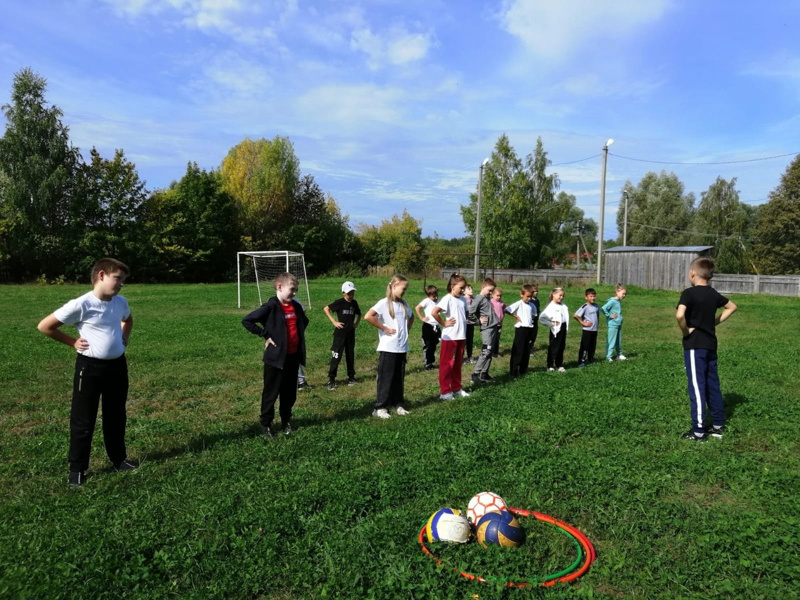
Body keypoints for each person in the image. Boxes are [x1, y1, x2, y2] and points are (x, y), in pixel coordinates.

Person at [37, 258, 135, 486]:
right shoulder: (81, 304)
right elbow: (45, 326)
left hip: (117, 367)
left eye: (123, 280)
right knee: (83, 419)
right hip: (89, 369)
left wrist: (124, 338)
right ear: (101, 275)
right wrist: (72, 342)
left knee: (116, 414)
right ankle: (77, 469)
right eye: (117, 279)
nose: (121, 284)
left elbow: (128, 320)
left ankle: (119, 459)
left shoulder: (120, 302)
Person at [676, 257, 737, 441]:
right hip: (711, 344)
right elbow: (732, 307)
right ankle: (718, 424)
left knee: (697, 387)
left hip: (695, 346)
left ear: (692, 273)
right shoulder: (713, 293)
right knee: (712, 384)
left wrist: (686, 331)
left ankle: (699, 431)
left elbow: (680, 315)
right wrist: (714, 322)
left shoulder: (688, 293)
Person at [242, 272, 308, 438]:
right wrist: (265, 334)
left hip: (293, 357)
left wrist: (294, 338)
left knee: (289, 393)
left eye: (296, 290)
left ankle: (286, 420)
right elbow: (247, 320)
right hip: (276, 359)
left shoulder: (296, 306)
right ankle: (267, 424)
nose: (295, 293)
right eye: (292, 289)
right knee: (271, 392)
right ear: (280, 287)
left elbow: (303, 321)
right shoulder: (270, 307)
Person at [364, 275, 414, 418]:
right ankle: (380, 407)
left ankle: (397, 404)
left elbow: (411, 317)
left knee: (399, 377)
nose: (404, 292)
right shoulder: (383, 303)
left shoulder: (404, 303)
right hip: (388, 347)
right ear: (393, 286)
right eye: (403, 289)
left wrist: (407, 330)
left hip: (402, 347)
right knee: (386, 378)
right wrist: (384, 327)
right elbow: (368, 316)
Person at [432, 273, 470, 400]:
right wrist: (443, 323)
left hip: (461, 336)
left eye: (464, 288)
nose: (463, 290)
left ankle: (456, 388)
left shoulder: (463, 299)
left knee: (457, 364)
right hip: (450, 337)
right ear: (453, 286)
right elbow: (434, 312)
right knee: (447, 364)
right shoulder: (447, 299)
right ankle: (445, 392)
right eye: (461, 287)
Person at [323, 281, 361, 390]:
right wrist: (334, 322)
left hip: (350, 335)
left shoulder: (354, 303)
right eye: (349, 293)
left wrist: (356, 323)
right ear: (343, 293)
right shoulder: (340, 302)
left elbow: (359, 314)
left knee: (350, 356)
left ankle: (351, 377)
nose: (351, 295)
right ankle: (331, 380)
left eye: (352, 292)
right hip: (340, 335)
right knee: (336, 356)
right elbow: (326, 308)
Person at [468, 278, 498, 385]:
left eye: (492, 291)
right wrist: (478, 322)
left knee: (490, 351)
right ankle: (475, 374)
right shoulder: (479, 299)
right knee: (486, 350)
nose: (491, 293)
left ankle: (484, 372)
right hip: (487, 329)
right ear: (483, 287)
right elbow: (470, 313)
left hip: (493, 327)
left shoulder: (486, 297)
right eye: (489, 290)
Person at [506, 284, 538, 376]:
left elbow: (534, 315)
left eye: (531, 297)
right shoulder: (519, 303)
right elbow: (507, 310)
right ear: (522, 294)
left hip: (529, 329)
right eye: (527, 296)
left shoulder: (532, 305)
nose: (529, 299)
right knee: (518, 350)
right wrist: (515, 316)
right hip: (521, 329)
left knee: (526, 350)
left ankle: (523, 369)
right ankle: (514, 370)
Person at [539, 287, 569, 372]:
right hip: (555, 329)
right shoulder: (551, 306)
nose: (561, 297)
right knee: (554, 347)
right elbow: (542, 318)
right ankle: (550, 365)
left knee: (561, 347)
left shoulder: (563, 305)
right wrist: (551, 324)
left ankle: (559, 364)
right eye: (560, 295)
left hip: (563, 328)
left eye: (563, 296)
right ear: (554, 294)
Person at [415, 285, 440, 370]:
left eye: (436, 295)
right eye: (433, 296)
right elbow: (417, 308)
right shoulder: (427, 301)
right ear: (428, 295)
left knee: (434, 344)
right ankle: (427, 363)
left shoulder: (438, 302)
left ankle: (431, 362)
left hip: (436, 326)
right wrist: (422, 317)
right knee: (427, 344)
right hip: (428, 326)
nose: (435, 297)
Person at [574, 288, 600, 366]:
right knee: (585, 346)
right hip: (587, 330)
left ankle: (591, 358)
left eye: (594, 296)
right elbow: (575, 315)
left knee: (592, 345)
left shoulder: (596, 306)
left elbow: (597, 316)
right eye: (591, 296)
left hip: (594, 330)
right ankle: (581, 360)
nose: (593, 298)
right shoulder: (585, 306)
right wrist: (583, 323)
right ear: (586, 297)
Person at [601, 284, 628, 362]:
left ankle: (619, 354)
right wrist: (609, 315)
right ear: (617, 292)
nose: (624, 295)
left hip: (618, 324)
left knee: (618, 341)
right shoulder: (612, 301)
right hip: (613, 324)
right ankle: (608, 356)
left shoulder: (618, 301)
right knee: (611, 340)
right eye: (623, 293)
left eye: (625, 294)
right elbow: (603, 308)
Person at [463, 284, 478, 364]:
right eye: (469, 289)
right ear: (464, 291)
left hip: (471, 323)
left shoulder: (474, 300)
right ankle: (461, 358)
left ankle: (469, 357)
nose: (471, 290)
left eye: (472, 288)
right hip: (464, 323)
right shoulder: (463, 299)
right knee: (463, 341)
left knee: (470, 341)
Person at [490, 287, 506, 357]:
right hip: (493, 324)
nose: (499, 297)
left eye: (500, 295)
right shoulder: (491, 302)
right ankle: (491, 352)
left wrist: (502, 317)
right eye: (497, 295)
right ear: (492, 295)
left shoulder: (502, 303)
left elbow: (504, 310)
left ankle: (496, 352)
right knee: (492, 339)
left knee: (497, 339)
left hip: (499, 324)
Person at [530, 283, 541, 356]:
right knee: (530, 335)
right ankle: (529, 349)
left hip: (536, 321)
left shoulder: (537, 300)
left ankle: (531, 346)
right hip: (531, 320)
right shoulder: (530, 301)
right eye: (534, 291)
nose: (536, 292)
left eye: (537, 291)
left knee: (534, 335)